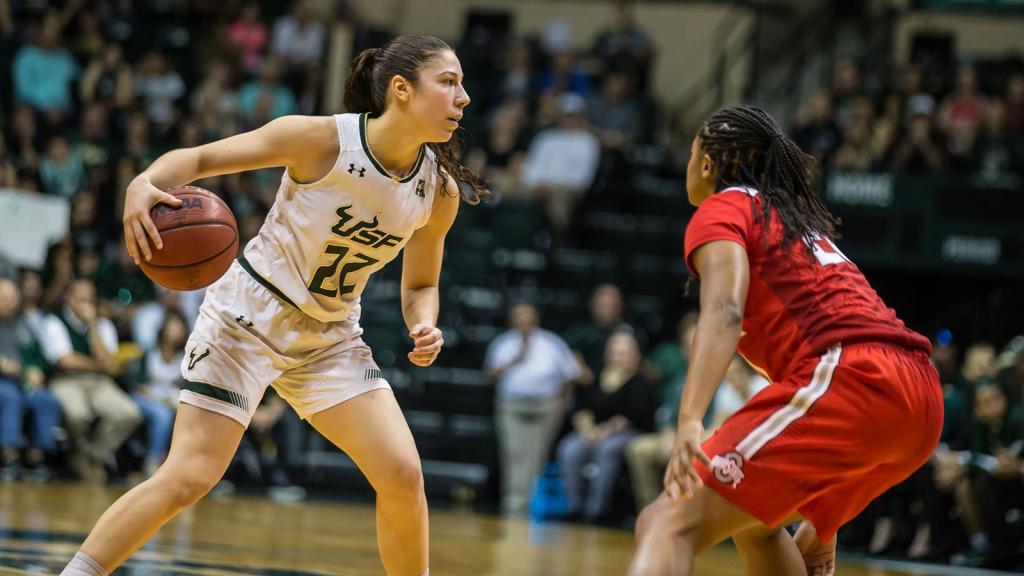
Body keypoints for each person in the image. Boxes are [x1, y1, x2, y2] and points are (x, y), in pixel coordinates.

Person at [59, 35, 484, 576]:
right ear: (402, 89)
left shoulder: (438, 192)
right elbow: (202, 158)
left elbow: (421, 286)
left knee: (403, 475)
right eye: (448, 82)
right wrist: (144, 183)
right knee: (190, 476)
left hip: (330, 338)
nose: (464, 97)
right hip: (247, 318)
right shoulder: (319, 140)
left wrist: (424, 324)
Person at [626, 106, 942, 576]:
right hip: (916, 397)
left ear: (707, 164)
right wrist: (825, 516)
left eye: (691, 155)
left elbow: (724, 310)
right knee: (756, 523)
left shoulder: (725, 207)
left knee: (666, 522)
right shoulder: (794, 224)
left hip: (852, 380)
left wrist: (689, 419)